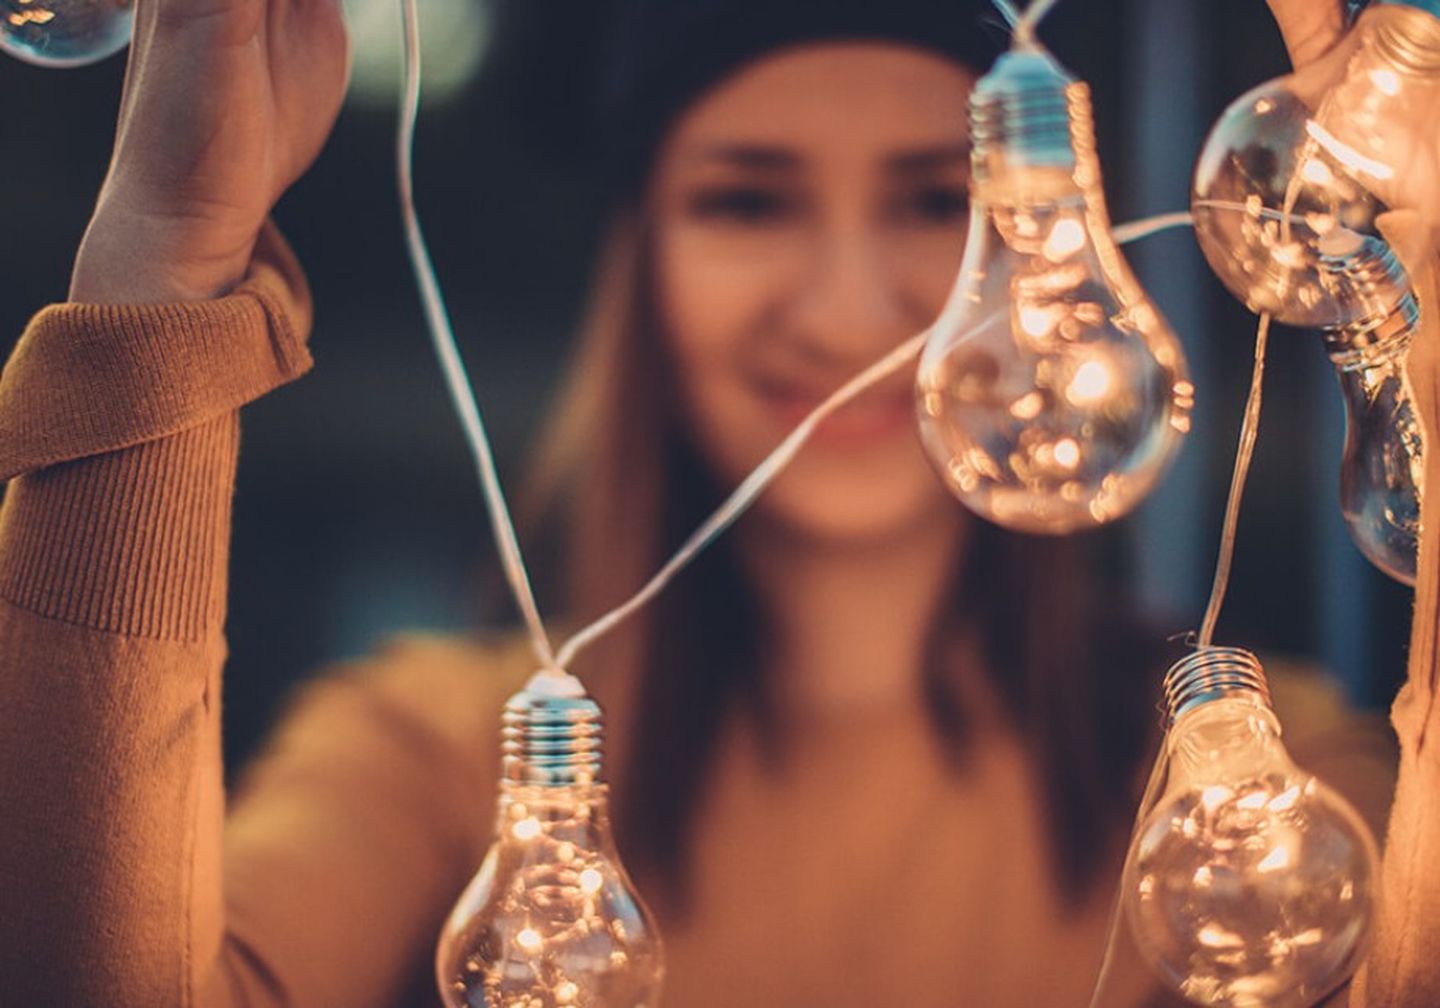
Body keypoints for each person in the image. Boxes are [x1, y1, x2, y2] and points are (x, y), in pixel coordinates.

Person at [0, 0, 1433, 1005]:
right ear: (645, 265)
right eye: (749, 202)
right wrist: (168, 262)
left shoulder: (1275, 796)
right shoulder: (426, 762)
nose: (848, 309)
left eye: (941, 201)